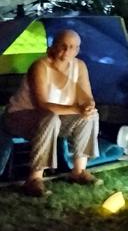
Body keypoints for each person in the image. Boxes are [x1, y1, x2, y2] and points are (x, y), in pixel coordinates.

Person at [3, 29, 99, 197]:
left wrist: (87, 107)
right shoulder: (40, 66)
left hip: (55, 117)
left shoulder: (79, 66)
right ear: (53, 47)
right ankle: (34, 179)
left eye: (72, 47)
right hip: (21, 116)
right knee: (50, 118)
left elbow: (87, 97)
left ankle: (79, 170)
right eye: (62, 46)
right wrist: (77, 109)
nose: (67, 51)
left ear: (77, 50)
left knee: (90, 117)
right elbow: (43, 105)